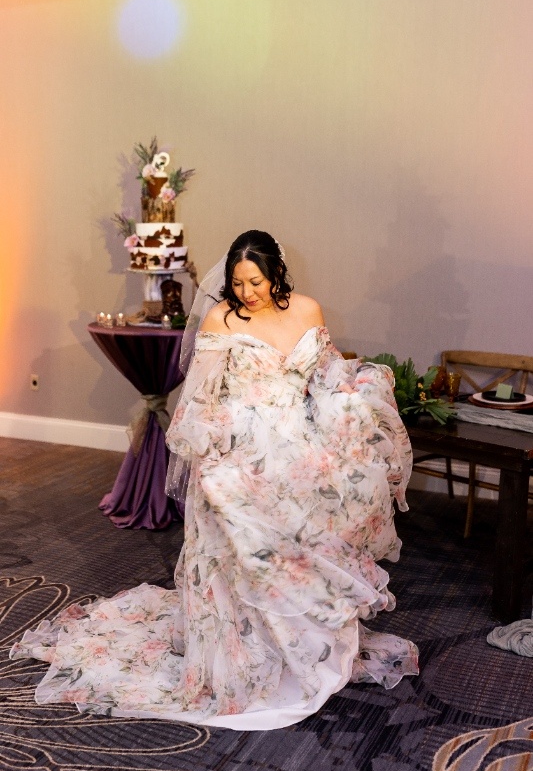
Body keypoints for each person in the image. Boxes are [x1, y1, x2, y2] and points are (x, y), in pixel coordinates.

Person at [10, 230, 418, 730]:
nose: (246, 292)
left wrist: (352, 398)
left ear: (276, 275)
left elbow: (324, 374)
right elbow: (203, 399)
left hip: (300, 447)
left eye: (256, 281)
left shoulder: (308, 310)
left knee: (302, 545)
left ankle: (300, 649)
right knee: (241, 553)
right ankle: (240, 657)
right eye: (238, 282)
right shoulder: (220, 317)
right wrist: (219, 451)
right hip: (239, 448)